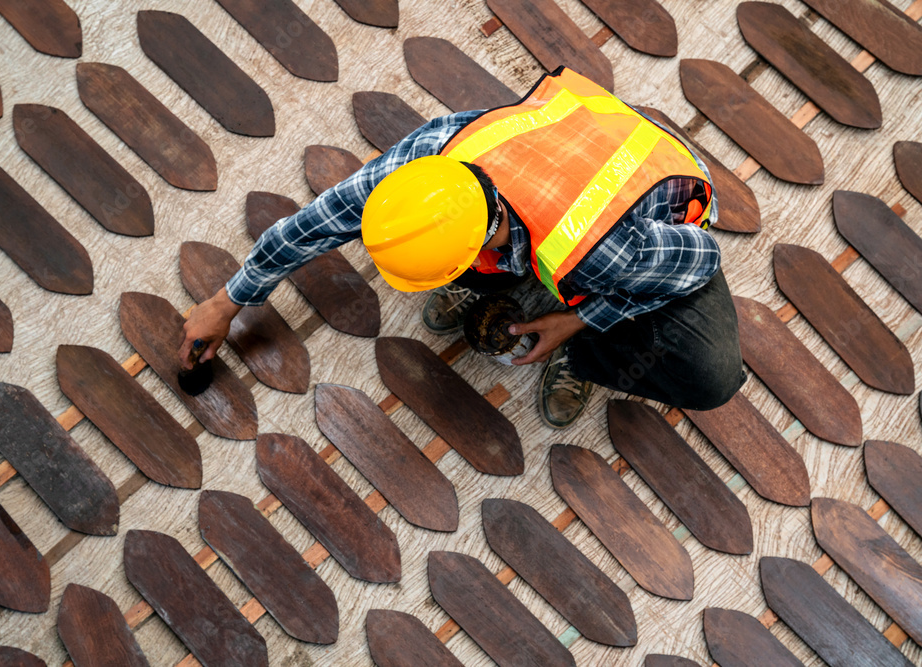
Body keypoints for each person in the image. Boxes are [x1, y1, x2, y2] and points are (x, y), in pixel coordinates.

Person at [180, 67, 745, 429]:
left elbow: (700, 261)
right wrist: (229, 300)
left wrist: (581, 321)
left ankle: (589, 352)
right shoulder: (428, 163)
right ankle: (522, 287)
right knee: (518, 266)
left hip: (653, 206)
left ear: (482, 242)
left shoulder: (599, 252)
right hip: (571, 161)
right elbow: (313, 225)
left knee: (711, 375)